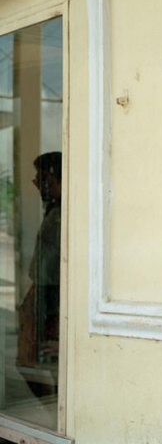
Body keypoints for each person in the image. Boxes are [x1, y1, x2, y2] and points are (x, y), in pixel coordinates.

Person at [18, 152, 62, 371]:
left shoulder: (65, 213)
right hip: (43, 293)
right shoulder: (54, 209)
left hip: (53, 296)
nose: (36, 183)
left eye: (42, 178)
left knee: (35, 360)